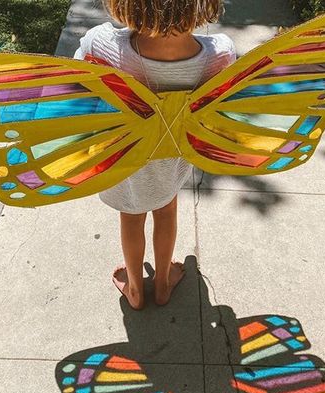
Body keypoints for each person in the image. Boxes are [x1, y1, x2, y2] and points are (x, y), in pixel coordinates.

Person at [74, 0, 236, 310]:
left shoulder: (100, 45)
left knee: (131, 218)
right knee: (166, 210)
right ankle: (162, 283)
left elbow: (78, 92)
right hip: (172, 158)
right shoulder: (220, 53)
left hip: (123, 158)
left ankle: (135, 289)